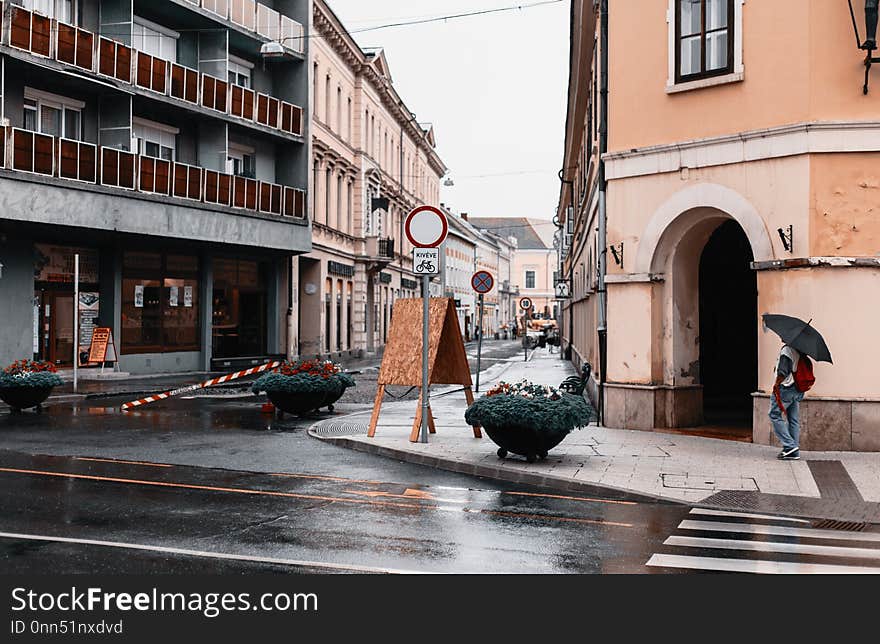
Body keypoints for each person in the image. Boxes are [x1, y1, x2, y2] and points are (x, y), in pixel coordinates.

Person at [769, 343, 804, 460]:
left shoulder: (787, 350)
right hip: (796, 389)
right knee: (793, 419)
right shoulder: (799, 351)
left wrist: (776, 384)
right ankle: (794, 451)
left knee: (774, 415)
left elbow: (783, 372)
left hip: (785, 389)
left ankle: (790, 446)